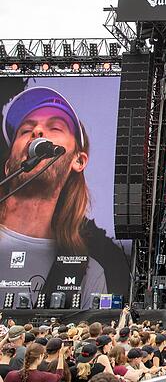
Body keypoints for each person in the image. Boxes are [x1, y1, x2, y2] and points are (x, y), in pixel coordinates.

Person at [0, 87, 130, 307]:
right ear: (8, 166)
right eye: (25, 130)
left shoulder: (88, 272)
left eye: (55, 127)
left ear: (78, 161)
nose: (38, 131)